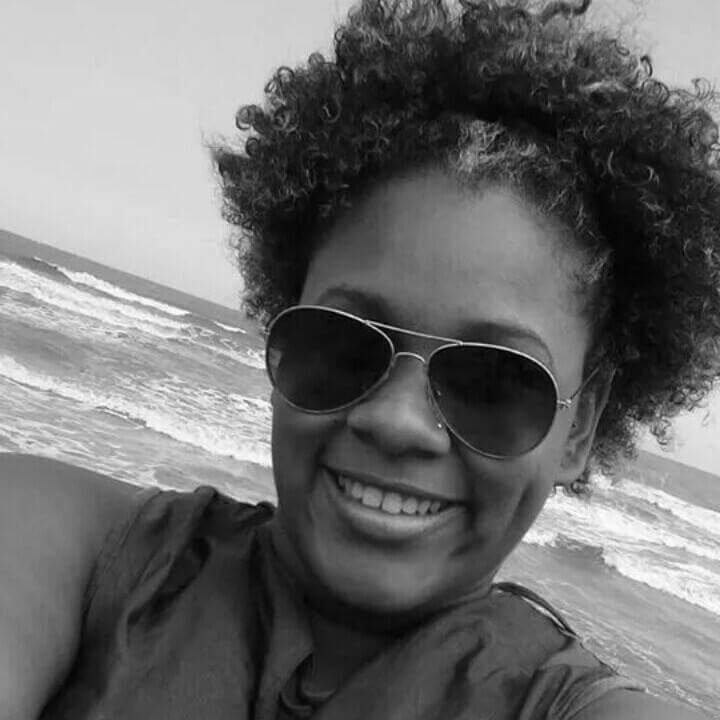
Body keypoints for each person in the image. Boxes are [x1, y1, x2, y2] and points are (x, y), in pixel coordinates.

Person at [1, 0, 718, 717]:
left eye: (495, 383)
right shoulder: (76, 545)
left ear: (580, 428)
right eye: (344, 342)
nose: (397, 422)